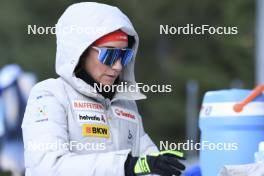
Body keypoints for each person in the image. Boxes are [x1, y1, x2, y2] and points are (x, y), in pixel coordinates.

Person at [22, 2, 185, 176]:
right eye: (109, 54)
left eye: (124, 55)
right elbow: (47, 167)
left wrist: (172, 169)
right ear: (80, 52)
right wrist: (126, 165)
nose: (118, 66)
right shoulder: (50, 94)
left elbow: (147, 162)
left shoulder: (124, 103)